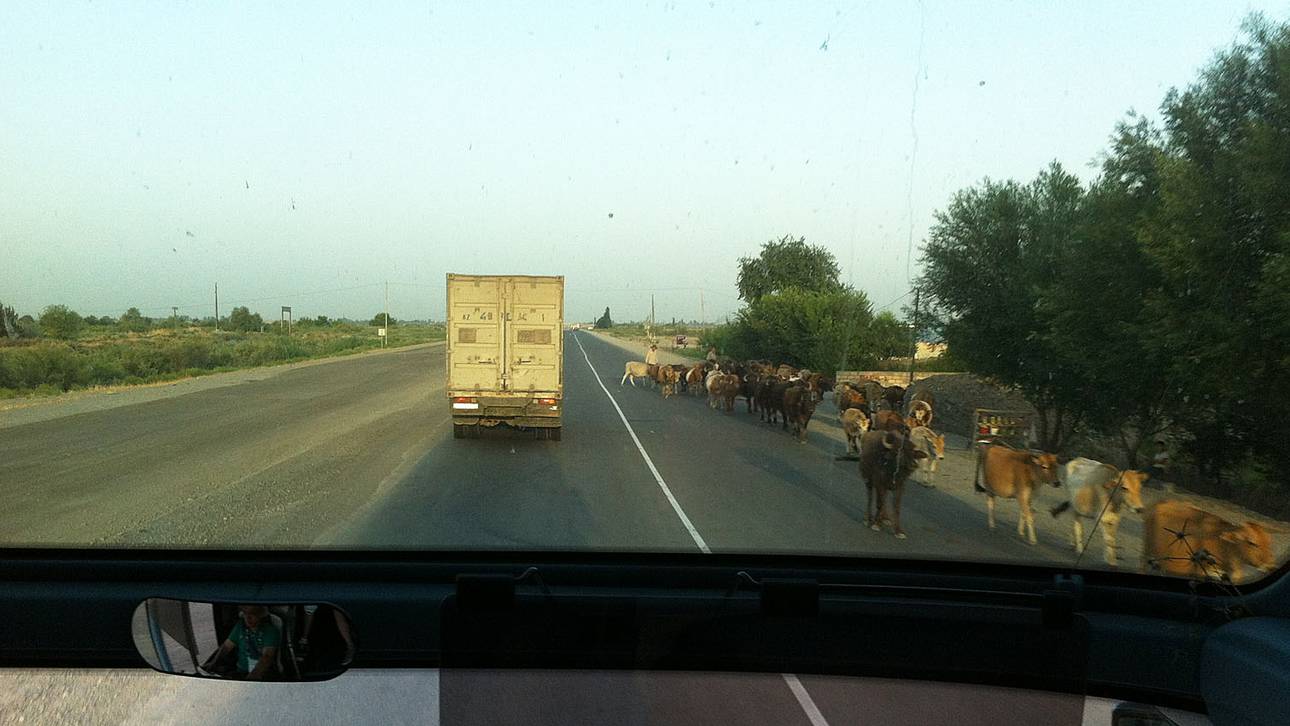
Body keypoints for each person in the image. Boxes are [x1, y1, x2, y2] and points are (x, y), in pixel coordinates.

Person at [202, 605, 281, 680]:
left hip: (263, 675)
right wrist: (212, 664)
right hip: (240, 672)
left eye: (252, 614)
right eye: (245, 614)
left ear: (260, 615)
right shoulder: (240, 626)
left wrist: (251, 679)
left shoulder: (271, 631)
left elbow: (267, 657)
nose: (248, 618)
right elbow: (226, 647)